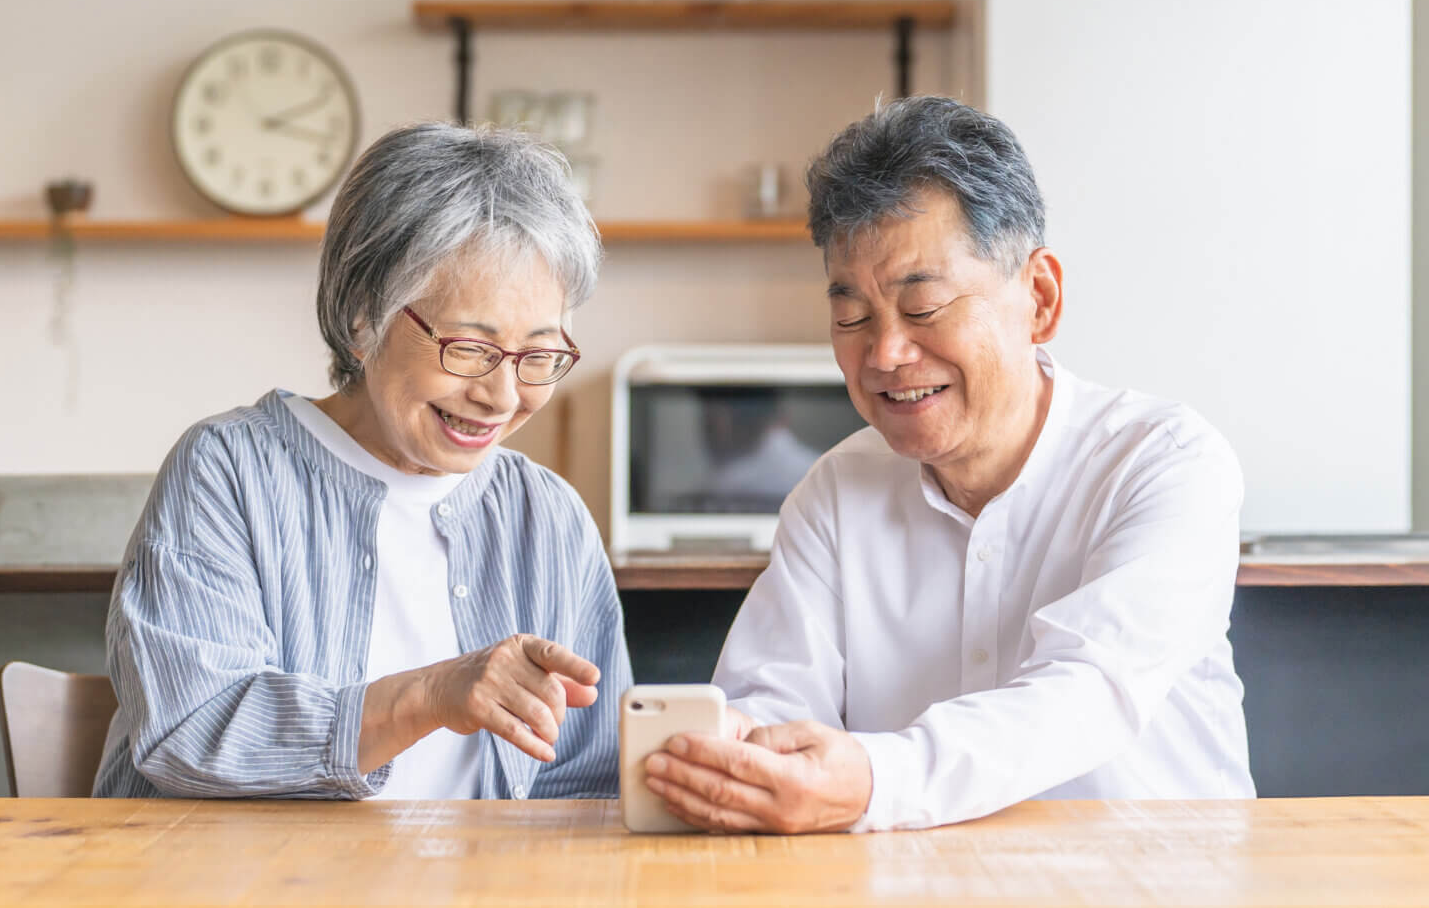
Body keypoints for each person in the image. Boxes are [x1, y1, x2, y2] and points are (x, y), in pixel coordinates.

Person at [643, 96, 1255, 832]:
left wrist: (872, 781)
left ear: (1040, 297)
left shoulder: (1165, 464)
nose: (884, 354)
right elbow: (771, 702)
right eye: (852, 316)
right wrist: (743, 760)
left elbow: (1089, 690)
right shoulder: (836, 492)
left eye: (923, 307)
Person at [94, 123, 632, 800]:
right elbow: (191, 727)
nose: (501, 394)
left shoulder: (546, 517)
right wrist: (431, 693)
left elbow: (588, 785)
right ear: (361, 315)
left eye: (539, 354)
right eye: (469, 347)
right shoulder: (229, 472)